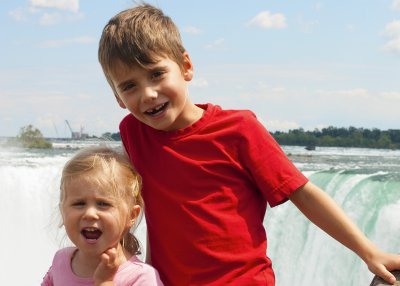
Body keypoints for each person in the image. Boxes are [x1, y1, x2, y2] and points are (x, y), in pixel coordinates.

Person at [98, 4, 400, 285]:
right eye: (130, 86)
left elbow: (303, 194)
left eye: (157, 74)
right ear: (117, 98)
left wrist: (368, 252)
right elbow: (152, 207)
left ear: (186, 66)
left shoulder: (239, 130)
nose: (148, 94)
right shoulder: (133, 133)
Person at [41, 146, 164, 286]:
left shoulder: (141, 278)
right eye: (79, 203)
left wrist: (105, 282)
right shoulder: (61, 260)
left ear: (131, 215)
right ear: (63, 212)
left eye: (103, 204)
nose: (90, 214)